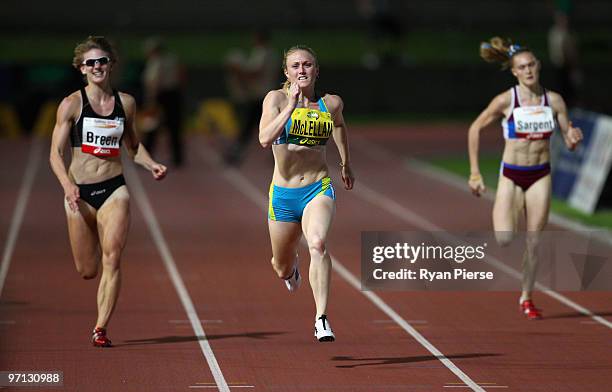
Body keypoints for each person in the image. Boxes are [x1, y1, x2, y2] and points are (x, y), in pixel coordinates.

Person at [49, 36, 167, 347]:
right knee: (88, 269)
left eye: (102, 61)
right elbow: (54, 154)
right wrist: (68, 185)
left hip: (115, 189)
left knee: (112, 258)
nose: (97, 66)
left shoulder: (125, 103)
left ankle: (100, 328)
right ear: (82, 69)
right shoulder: (72, 105)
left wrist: (151, 163)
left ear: (111, 65)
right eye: (91, 63)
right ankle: (98, 304)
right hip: (79, 194)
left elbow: (133, 147)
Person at [467, 37, 582, 320]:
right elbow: (474, 129)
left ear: (538, 66)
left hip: (540, 174)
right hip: (512, 175)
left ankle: (526, 297)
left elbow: (568, 135)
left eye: (532, 65)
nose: (528, 70)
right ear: (514, 71)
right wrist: (475, 172)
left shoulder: (554, 101)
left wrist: (572, 139)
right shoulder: (507, 100)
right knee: (505, 239)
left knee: (534, 241)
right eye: (522, 67)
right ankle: (511, 208)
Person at [259, 46, 354, 341]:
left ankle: (321, 318)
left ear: (316, 70)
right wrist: (290, 107)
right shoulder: (275, 99)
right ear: (286, 73)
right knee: (280, 265)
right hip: (284, 196)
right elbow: (264, 138)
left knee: (318, 243)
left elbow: (339, 126)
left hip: (318, 187)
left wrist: (345, 163)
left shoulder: (331, 103)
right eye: (295, 66)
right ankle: (291, 272)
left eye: (307, 64)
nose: (302, 70)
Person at [224, 30, 278, 166]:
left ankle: (235, 154)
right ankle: (279, 155)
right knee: (269, 127)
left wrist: (237, 70)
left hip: (260, 96)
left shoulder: (261, 53)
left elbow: (255, 72)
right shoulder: (272, 54)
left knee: (248, 127)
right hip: (267, 94)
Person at [142, 37, 185, 167]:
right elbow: (181, 75)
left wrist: (151, 100)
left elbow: (153, 82)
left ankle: (147, 155)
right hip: (174, 94)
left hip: (160, 96)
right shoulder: (172, 59)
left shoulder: (155, 62)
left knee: (152, 126)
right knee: (174, 127)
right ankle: (177, 158)